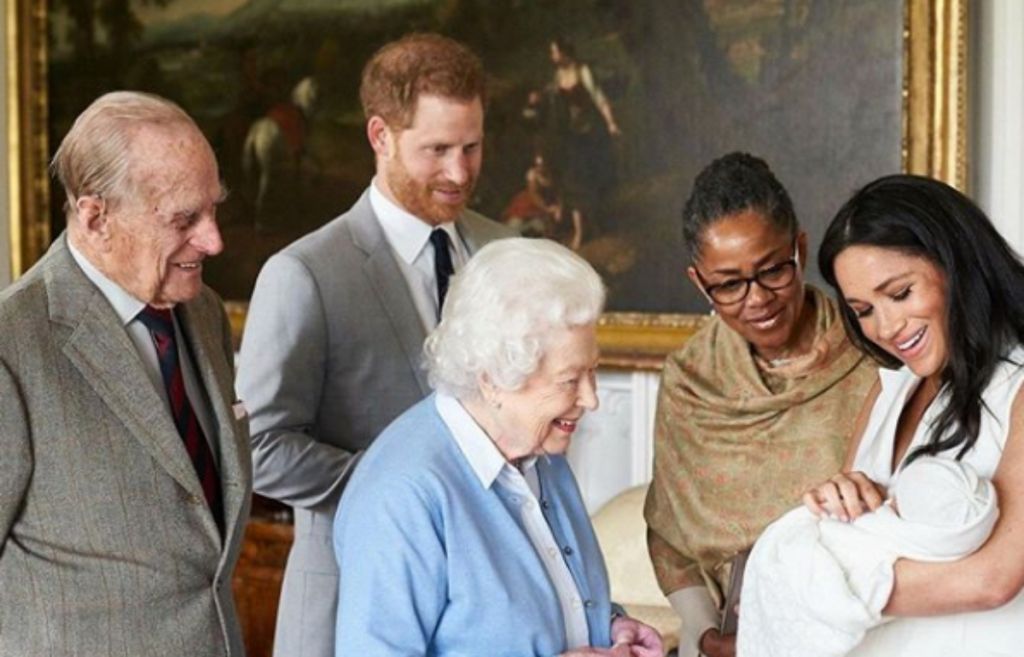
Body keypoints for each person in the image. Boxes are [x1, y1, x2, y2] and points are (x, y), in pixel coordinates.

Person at [235, 33, 513, 657]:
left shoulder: (506, 252)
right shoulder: (303, 274)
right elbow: (258, 446)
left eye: (472, 147)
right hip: (347, 604)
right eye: (437, 150)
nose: (460, 172)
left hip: (488, 615)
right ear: (380, 136)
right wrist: (406, 485)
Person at [0, 91, 251, 655]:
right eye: (184, 219)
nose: (213, 240)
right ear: (96, 218)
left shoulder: (204, 312)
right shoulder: (12, 346)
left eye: (213, 209)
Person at [333, 237, 663, 657]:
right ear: (492, 379)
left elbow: (533, 609)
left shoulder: (541, 452)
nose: (591, 398)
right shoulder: (402, 495)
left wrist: (610, 626)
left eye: (593, 371)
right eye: (569, 380)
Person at [642, 152, 878, 657]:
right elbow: (670, 536)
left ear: (799, 250)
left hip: (859, 629)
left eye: (772, 270)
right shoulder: (690, 381)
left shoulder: (872, 353)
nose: (757, 299)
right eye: (729, 284)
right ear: (698, 282)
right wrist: (704, 632)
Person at [799, 174, 1024, 656]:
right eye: (863, 310)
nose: (886, 328)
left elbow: (994, 579)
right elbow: (849, 535)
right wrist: (837, 501)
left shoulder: (1018, 387)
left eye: (900, 293)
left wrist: (813, 582)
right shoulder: (889, 390)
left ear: (956, 264)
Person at [740, 456, 998, 657]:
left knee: (789, 568)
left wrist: (786, 592)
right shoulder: (940, 532)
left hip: (818, 562)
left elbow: (840, 602)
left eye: (896, 504)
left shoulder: (889, 550)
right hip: (815, 543)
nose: (889, 503)